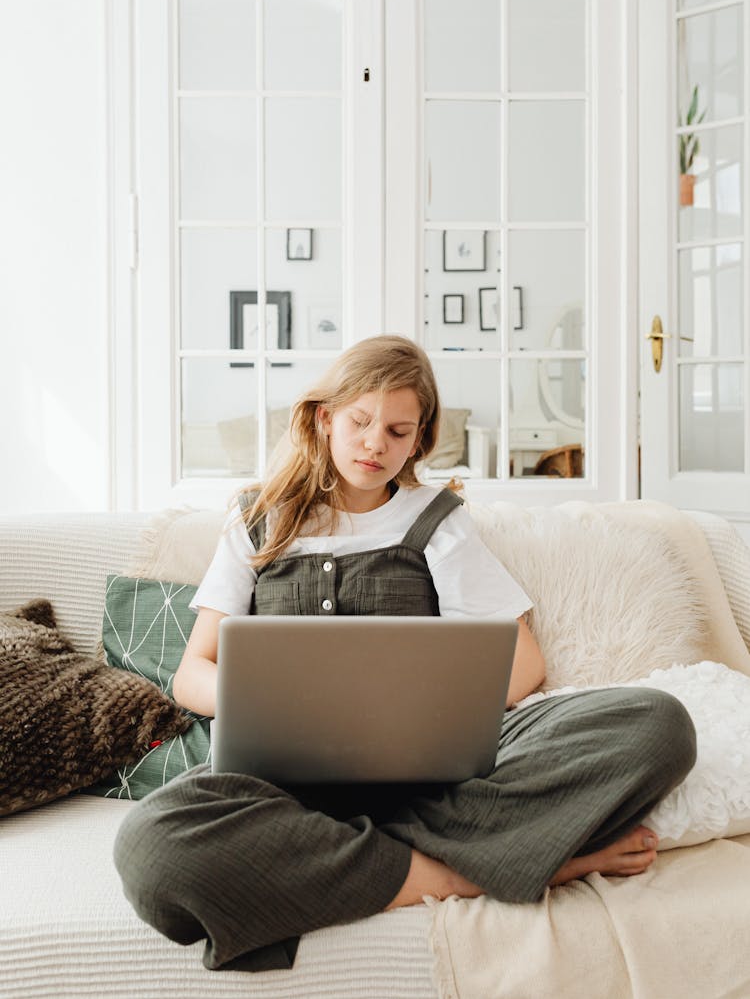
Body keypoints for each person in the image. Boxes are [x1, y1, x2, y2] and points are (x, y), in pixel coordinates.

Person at [114, 335, 697, 973]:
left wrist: (428, 716)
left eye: (397, 431)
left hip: (432, 775)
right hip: (285, 781)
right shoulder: (258, 519)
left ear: (418, 441)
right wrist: (272, 707)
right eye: (360, 422)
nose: (374, 445)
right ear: (323, 418)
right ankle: (488, 868)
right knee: (152, 850)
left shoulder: (437, 520)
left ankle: (343, 860)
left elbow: (524, 665)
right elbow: (192, 672)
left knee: (657, 723)